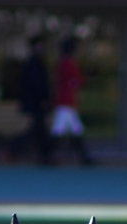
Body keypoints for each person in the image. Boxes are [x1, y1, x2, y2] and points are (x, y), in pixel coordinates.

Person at [51, 37, 91, 165]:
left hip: (65, 101)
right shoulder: (68, 63)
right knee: (59, 130)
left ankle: (84, 157)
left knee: (76, 129)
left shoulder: (61, 63)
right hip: (66, 102)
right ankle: (47, 156)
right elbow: (78, 80)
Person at [20, 35, 52, 166]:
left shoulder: (38, 62)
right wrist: (43, 99)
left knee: (39, 130)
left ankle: (44, 156)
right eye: (39, 45)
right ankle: (11, 148)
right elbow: (36, 85)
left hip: (37, 103)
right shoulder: (33, 64)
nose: (42, 48)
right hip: (36, 103)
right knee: (37, 130)